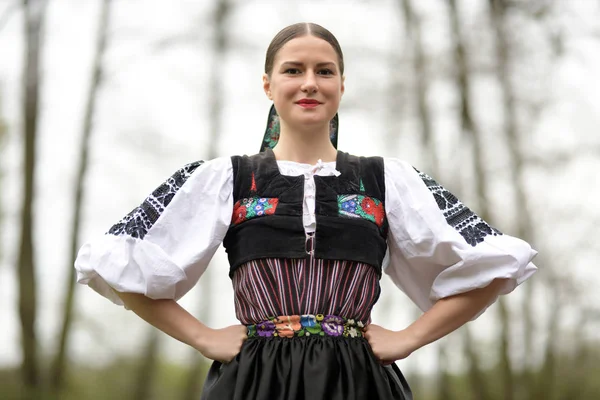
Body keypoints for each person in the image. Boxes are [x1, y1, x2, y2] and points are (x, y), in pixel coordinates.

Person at [74, 22, 537, 400]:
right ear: (268, 84)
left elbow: (496, 265)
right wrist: (202, 336)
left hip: (359, 383)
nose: (310, 83)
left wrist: (409, 338)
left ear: (341, 84)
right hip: (253, 383)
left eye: (325, 71)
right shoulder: (227, 179)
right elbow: (115, 263)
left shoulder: (386, 180)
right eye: (294, 70)